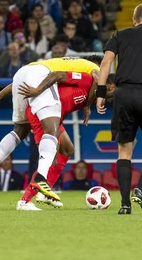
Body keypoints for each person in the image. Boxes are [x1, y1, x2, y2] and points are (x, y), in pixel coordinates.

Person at [0, 56, 105, 202]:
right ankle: (41, 179)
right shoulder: (96, 69)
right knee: (52, 132)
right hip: (40, 77)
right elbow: (98, 81)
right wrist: (38, 91)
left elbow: (25, 80)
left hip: (22, 74)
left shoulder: (74, 66)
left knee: (19, 132)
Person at [96, 4, 142, 215]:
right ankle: (141, 189)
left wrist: (101, 93)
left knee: (124, 151)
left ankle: (125, 204)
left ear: (133, 19)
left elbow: (106, 63)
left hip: (123, 94)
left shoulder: (119, 34)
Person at [16, 70, 115, 210]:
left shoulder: (92, 96)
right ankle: (24, 201)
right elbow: (58, 75)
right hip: (42, 113)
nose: (111, 98)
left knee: (67, 148)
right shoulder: (85, 78)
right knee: (52, 160)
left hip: (54, 117)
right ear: (111, 86)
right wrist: (38, 90)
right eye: (113, 93)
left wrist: (87, 107)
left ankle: (44, 192)